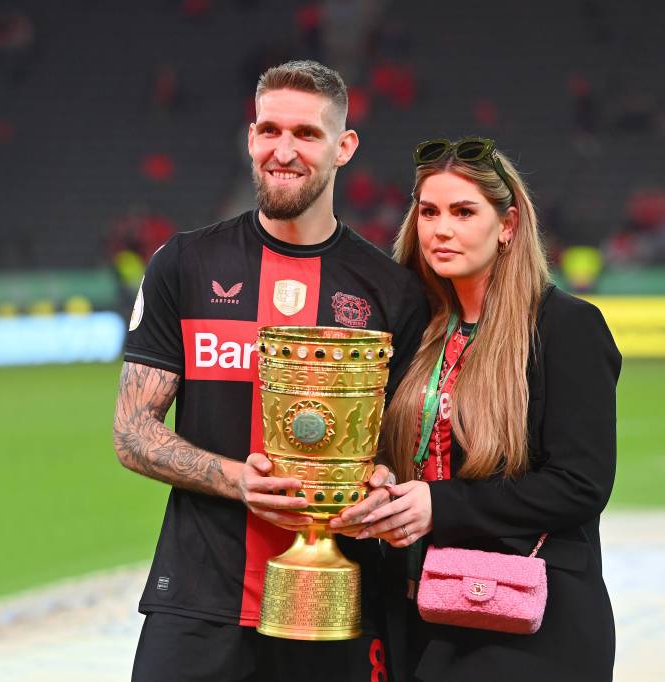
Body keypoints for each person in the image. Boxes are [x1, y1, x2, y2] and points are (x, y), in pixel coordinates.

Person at [112, 60, 429, 682]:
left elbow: (408, 451)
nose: (283, 151)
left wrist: (385, 487)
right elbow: (131, 433)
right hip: (201, 598)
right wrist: (238, 480)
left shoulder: (393, 292)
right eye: (269, 130)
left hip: (338, 602)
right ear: (251, 137)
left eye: (307, 134)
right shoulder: (185, 264)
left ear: (344, 147)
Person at [332, 137, 621, 680]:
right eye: (429, 212)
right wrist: (379, 482)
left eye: (464, 212)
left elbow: (581, 484)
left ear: (508, 225)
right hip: (417, 613)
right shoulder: (409, 331)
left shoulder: (565, 329)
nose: (442, 229)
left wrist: (438, 506)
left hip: (529, 620)